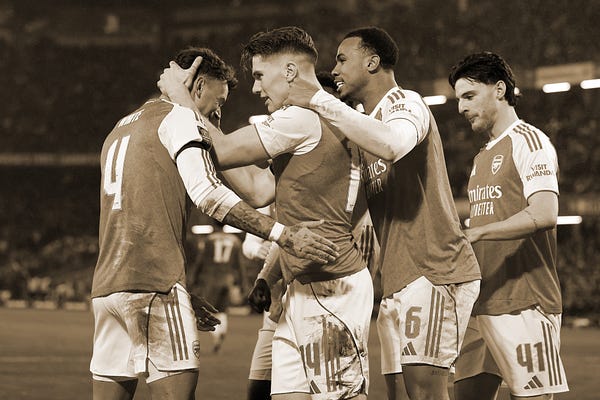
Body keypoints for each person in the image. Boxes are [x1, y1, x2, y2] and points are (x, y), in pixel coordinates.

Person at [90, 46, 339, 400]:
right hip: (154, 285)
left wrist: (182, 292)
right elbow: (208, 194)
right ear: (197, 86)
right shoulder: (179, 119)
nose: (217, 113)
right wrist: (283, 234)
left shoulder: (119, 129)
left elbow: (137, 219)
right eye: (218, 101)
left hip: (108, 288)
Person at [158, 27, 373, 400]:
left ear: (289, 71)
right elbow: (259, 190)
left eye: (260, 75)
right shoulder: (319, 118)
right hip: (302, 286)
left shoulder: (301, 116)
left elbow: (223, 151)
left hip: (331, 285)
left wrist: (182, 100)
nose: (256, 88)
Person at [283, 27, 482, 400]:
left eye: (343, 59)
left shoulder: (405, 102)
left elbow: (393, 144)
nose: (334, 70)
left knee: (426, 393)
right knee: (402, 393)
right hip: (396, 279)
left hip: (434, 270)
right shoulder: (362, 127)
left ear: (372, 62)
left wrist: (318, 99)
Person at [448, 51, 569, 400]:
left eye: (469, 96)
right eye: (459, 100)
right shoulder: (481, 157)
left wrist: (477, 232)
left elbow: (544, 213)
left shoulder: (529, 141)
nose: (461, 108)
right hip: (482, 302)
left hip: (524, 301)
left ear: (499, 89)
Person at [189, 221, 243, 353]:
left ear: (213, 226)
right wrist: (242, 283)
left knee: (211, 309)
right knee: (223, 310)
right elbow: (239, 264)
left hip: (211, 279)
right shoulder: (235, 241)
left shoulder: (209, 240)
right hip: (227, 279)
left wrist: (194, 279)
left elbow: (200, 261)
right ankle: (222, 330)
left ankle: (217, 333)